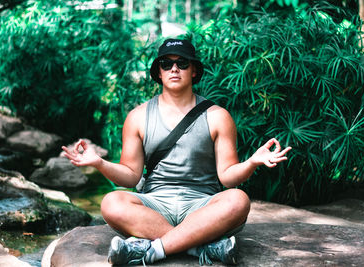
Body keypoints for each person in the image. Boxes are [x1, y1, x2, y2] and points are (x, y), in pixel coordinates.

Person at [62, 38, 292, 265]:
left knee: (238, 200)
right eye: (166, 64)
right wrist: (99, 163)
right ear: (158, 72)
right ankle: (199, 247)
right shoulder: (138, 117)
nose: (174, 69)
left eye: (182, 63)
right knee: (111, 203)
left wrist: (252, 162)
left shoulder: (217, 116)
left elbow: (228, 177)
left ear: (193, 70)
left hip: (202, 205)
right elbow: (131, 176)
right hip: (155, 204)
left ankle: (152, 250)